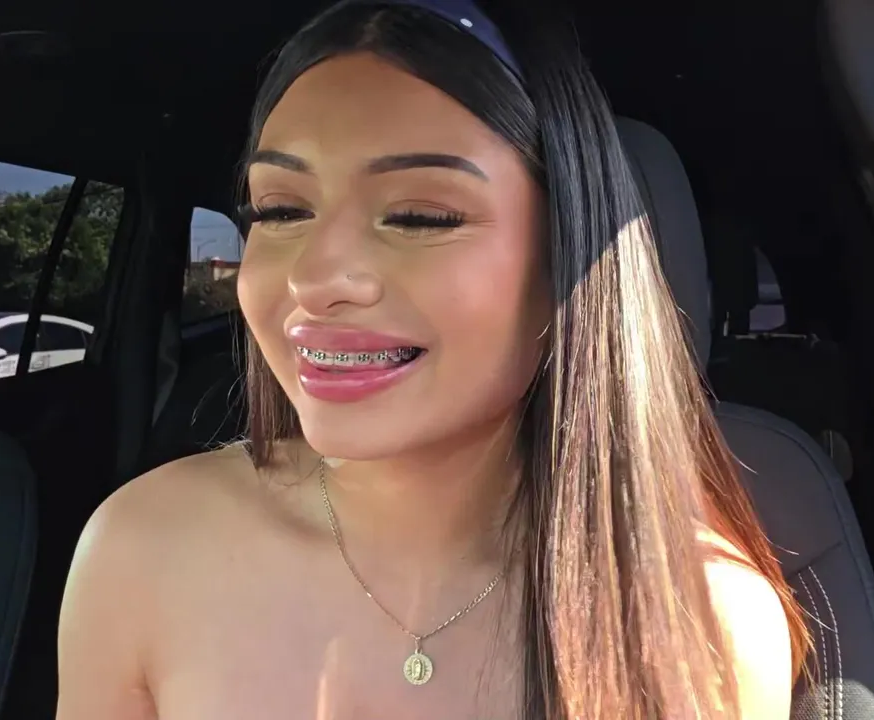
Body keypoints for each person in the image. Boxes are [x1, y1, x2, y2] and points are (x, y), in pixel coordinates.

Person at [55, 0, 810, 718]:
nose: (314, 280)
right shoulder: (144, 546)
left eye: (418, 217)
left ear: (565, 258)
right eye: (282, 211)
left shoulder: (702, 625)